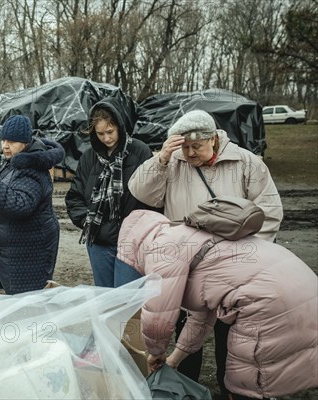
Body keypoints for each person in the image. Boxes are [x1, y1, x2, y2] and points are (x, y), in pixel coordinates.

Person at [128, 109, 284, 395]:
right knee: (188, 329)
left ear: (213, 139)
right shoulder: (172, 162)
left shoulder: (245, 162)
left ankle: (231, 389)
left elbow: (269, 212)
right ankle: (188, 389)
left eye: (196, 147)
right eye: (184, 147)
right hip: (189, 265)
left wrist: (245, 260)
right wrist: (161, 159)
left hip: (233, 269)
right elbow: (140, 191)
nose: (189, 153)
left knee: (233, 338)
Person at [117, 209, 317, 400]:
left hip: (268, 301)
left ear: (133, 243)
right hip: (302, 285)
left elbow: (158, 318)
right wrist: (174, 359)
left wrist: (155, 353)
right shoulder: (193, 235)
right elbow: (202, 316)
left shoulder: (160, 248)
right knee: (284, 363)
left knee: (247, 380)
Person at [64, 96, 157, 288]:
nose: (106, 138)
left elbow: (152, 196)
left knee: (128, 300)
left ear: (120, 126)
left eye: (110, 131)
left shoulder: (140, 151)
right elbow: (75, 197)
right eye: (100, 134)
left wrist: (140, 232)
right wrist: (86, 221)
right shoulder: (89, 157)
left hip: (132, 242)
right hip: (98, 242)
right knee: (105, 300)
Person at [0, 115, 65, 295]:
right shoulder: (15, 161)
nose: (5, 145)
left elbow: (21, 204)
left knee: (28, 302)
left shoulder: (32, 168)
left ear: (25, 143)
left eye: (12, 141)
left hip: (29, 252)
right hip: (14, 250)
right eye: (4, 140)